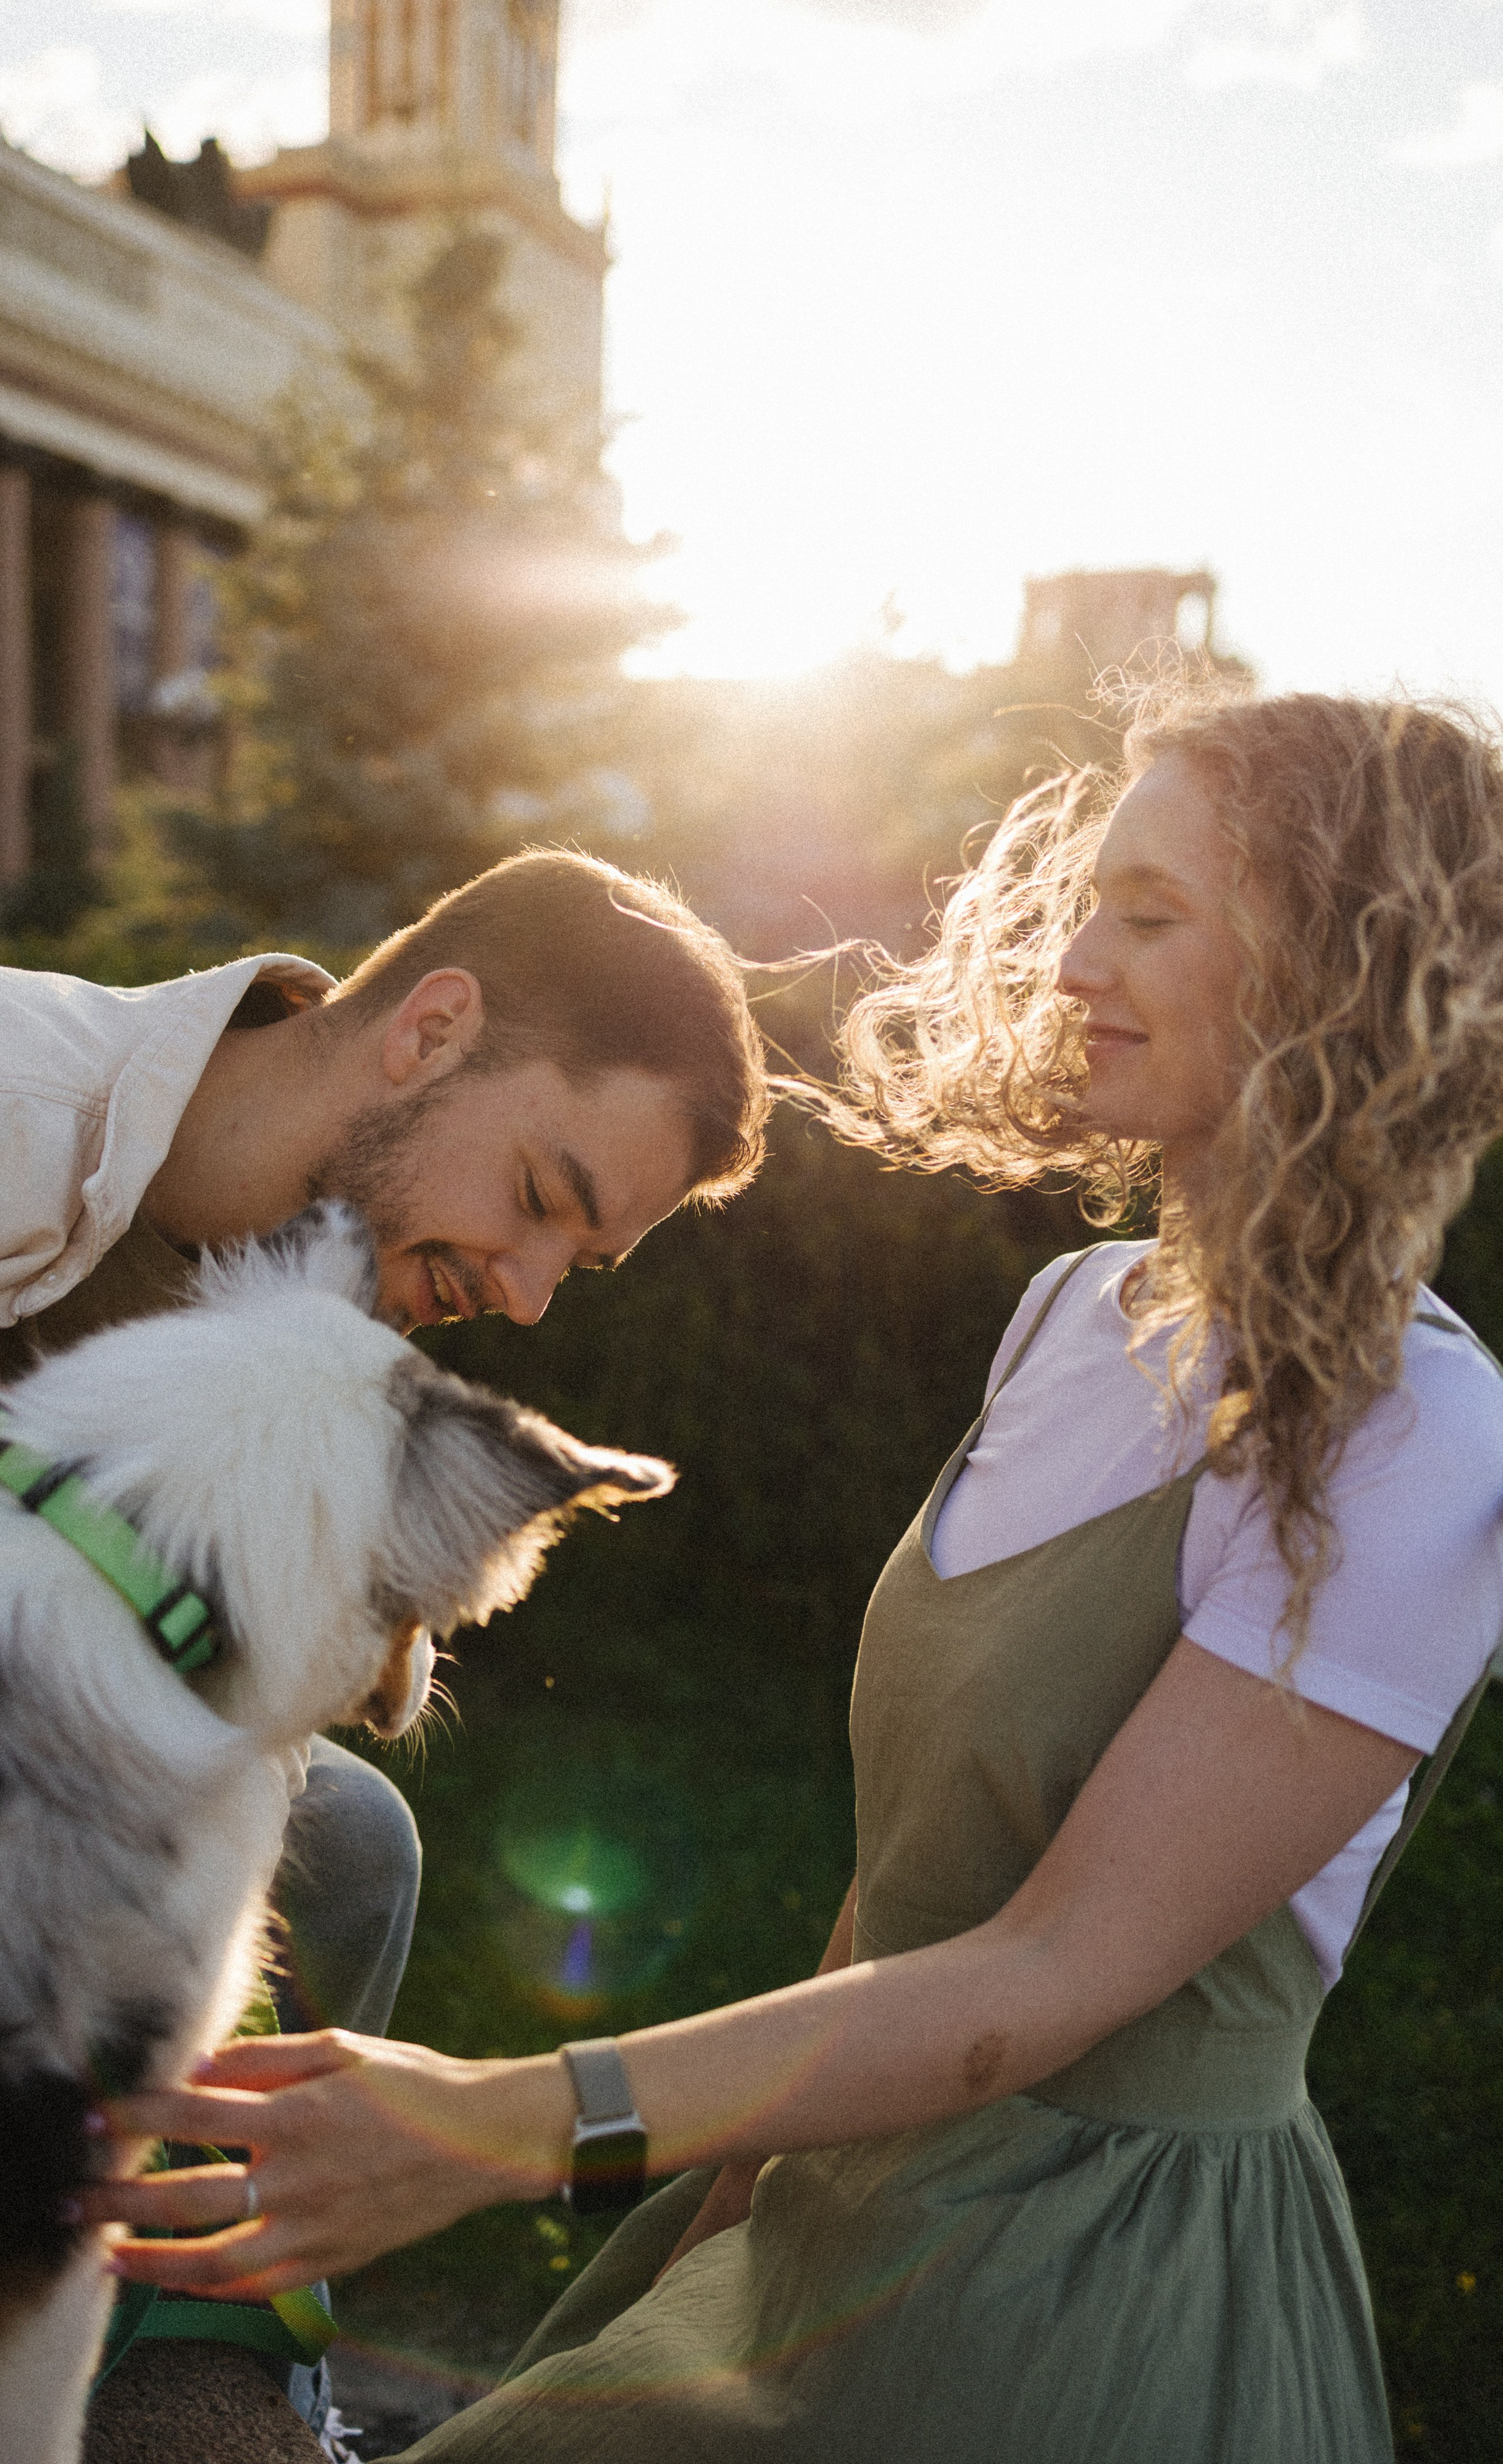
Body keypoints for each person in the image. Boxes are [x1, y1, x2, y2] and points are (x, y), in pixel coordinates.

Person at [91, 690, 1503, 2462]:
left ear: (1341, 973)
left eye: (1150, 916)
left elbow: (1045, 1972)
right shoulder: (1069, 1316)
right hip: (828, 2212)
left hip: (1080, 2320)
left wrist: (497, 2127)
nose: (1075, 964)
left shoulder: (1419, 1435)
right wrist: (716, 2221)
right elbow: (908, 1892)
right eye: (1089, 904)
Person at [0, 848, 767, 2426]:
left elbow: (342, 1661)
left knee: (351, 1842)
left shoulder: (335, 1285)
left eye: (577, 1262)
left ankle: (219, 2370)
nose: (528, 1297)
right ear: (428, 1029)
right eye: (538, 1200)